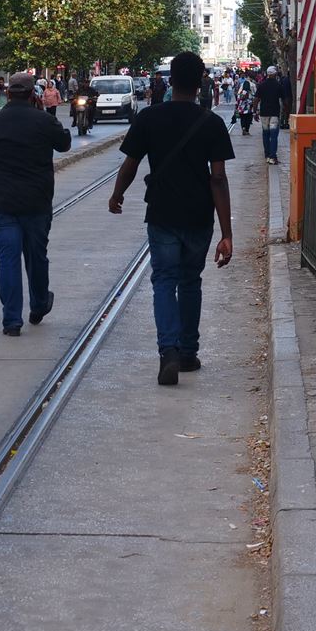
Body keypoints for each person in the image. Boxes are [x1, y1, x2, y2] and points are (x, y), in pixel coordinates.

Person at [107, 52, 235, 386]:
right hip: (199, 215)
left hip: (162, 212)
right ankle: (189, 352)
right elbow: (218, 178)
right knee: (190, 281)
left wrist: (118, 194)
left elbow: (131, 164)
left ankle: (169, 352)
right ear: (201, 83)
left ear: (170, 81)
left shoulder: (149, 118)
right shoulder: (211, 123)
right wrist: (227, 233)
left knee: (164, 280)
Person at [0, 73, 73, 335]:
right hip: (37, 199)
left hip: (2, 199)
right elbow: (64, 144)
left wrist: (3, 167)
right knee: (36, 255)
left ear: (8, 93)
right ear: (33, 94)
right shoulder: (43, 120)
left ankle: (11, 321)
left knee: (8, 260)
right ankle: (39, 304)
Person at [257, 66, 289, 164]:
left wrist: (254, 112)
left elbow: (256, 99)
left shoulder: (261, 85)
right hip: (274, 113)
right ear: (275, 74)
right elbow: (285, 100)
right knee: (274, 135)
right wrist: (287, 112)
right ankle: (272, 157)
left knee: (265, 134)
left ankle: (267, 155)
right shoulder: (278, 85)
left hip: (264, 113)